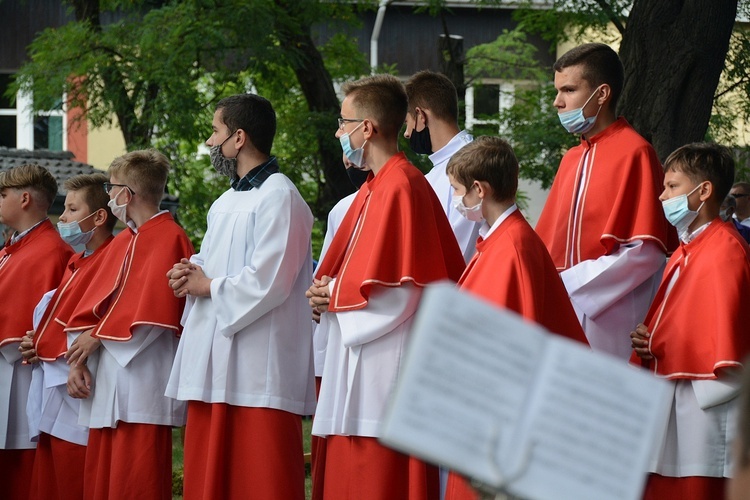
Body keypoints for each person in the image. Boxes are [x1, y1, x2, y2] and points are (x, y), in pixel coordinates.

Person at [307, 74, 466, 500]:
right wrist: (326, 290)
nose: (340, 133)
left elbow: (406, 289)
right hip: (359, 356)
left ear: (368, 128)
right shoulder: (374, 188)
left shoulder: (403, 186)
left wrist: (334, 294)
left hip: (387, 364)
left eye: (344, 123)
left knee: (380, 480)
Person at [165, 93, 316, 500]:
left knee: (257, 478)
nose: (211, 142)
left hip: (256, 365)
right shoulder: (225, 201)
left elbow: (272, 280)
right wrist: (190, 270)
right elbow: (215, 261)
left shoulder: (280, 195)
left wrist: (208, 285)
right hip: (214, 358)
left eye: (216, 132)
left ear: (239, 138)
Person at [441, 136, 589, 500]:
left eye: (457, 190)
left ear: (479, 189)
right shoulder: (498, 240)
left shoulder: (513, 247)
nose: (456, 200)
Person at [64, 150, 194, 499]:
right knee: (103, 480)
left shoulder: (169, 237)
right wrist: (78, 360)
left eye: (111, 188)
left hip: (141, 377)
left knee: (136, 480)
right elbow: (91, 309)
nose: (108, 196)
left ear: (127, 194)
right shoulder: (123, 240)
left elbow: (157, 314)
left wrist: (98, 339)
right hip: (106, 376)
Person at [535, 42, 674, 360]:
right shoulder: (570, 159)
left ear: (601, 94)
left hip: (611, 315)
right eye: (557, 91)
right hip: (562, 308)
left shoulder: (635, 152)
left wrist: (569, 283)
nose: (558, 102)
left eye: (568, 90)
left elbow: (645, 252)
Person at [630, 142, 750, 500]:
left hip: (706, 401)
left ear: (704, 191)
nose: (662, 195)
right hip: (677, 395)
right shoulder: (690, 247)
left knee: (697, 487)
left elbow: (723, 333)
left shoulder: (724, 249)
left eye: (672, 186)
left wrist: (657, 341)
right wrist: (650, 337)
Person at [18, 172, 116, 500]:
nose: (62, 218)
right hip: (54, 388)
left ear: (99, 217)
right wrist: (39, 341)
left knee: (74, 482)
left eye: (72, 210)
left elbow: (107, 320)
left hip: (80, 390)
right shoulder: (77, 260)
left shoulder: (113, 259)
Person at [0, 164, 73, 497]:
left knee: (22, 471)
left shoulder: (51, 251)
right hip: (8, 370)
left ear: (24, 198)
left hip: (23, 374)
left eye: (3, 195)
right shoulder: (12, 248)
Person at [310, 162, 369, 500]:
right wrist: (321, 296)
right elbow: (327, 270)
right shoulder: (342, 208)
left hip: (363, 330)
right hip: (336, 332)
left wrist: (329, 296)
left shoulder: (407, 191)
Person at [404, 70, 479, 261]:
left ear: (421, 115)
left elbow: (456, 251)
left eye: (407, 122)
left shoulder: (469, 163)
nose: (406, 133)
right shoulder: (438, 170)